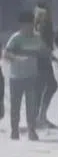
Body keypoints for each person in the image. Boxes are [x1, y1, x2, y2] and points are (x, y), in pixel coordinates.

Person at [5, 10, 42, 140]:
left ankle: (31, 130)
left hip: (32, 76)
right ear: (21, 25)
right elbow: (6, 54)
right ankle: (14, 130)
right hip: (16, 77)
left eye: (30, 24)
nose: (28, 27)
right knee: (15, 105)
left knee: (31, 105)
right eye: (25, 24)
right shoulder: (16, 38)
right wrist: (17, 58)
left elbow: (43, 53)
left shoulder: (37, 38)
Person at [32, 0, 58, 129]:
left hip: (41, 54)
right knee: (50, 85)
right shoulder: (43, 12)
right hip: (42, 55)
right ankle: (39, 117)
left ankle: (38, 117)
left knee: (43, 86)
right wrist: (47, 51)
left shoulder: (40, 10)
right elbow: (39, 34)